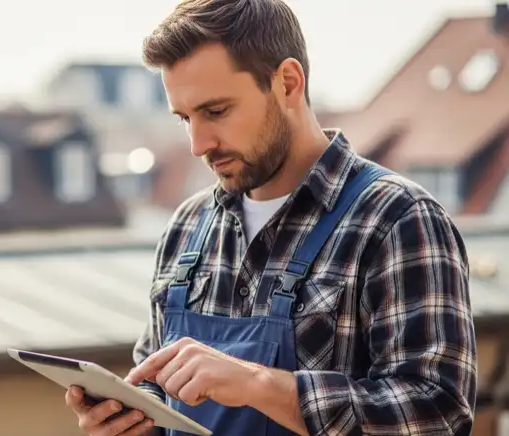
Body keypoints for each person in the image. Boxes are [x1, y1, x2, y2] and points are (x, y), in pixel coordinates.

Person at [64, 0, 477, 434]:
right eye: (185, 118)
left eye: (216, 111)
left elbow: (439, 415)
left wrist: (258, 384)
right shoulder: (187, 227)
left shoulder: (396, 220)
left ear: (288, 83)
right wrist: (130, 419)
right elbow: (159, 387)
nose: (198, 144)